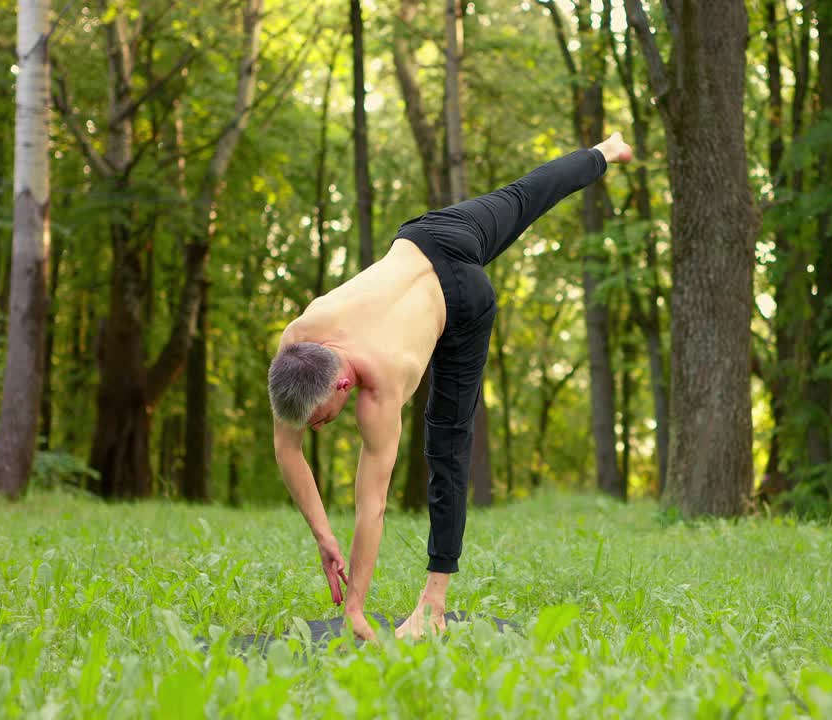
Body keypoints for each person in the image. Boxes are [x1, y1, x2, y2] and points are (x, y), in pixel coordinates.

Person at [268, 133, 633, 641]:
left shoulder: (381, 390)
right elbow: (287, 449)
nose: (319, 426)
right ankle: (604, 152)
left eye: (321, 416)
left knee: (447, 445)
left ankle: (433, 603)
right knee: (525, 195)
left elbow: (371, 505)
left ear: (343, 382)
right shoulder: (297, 339)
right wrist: (323, 536)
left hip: (462, 302)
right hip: (434, 235)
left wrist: (355, 609)